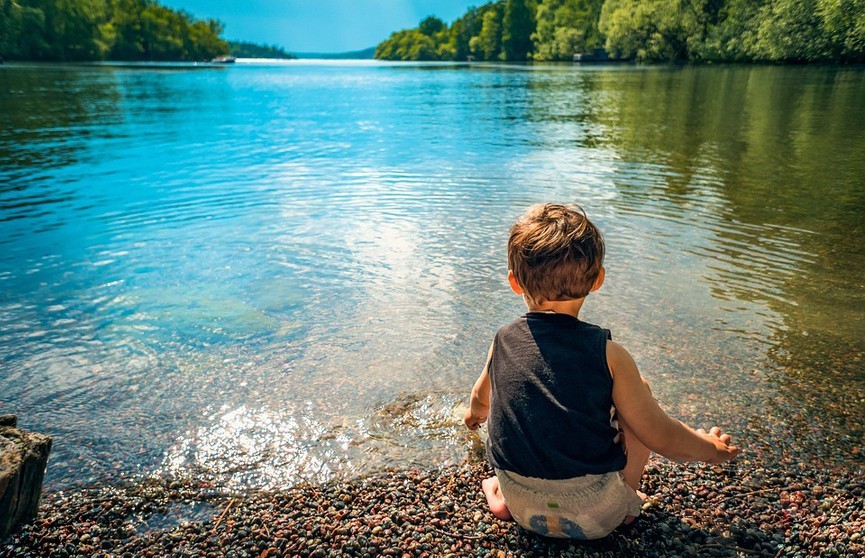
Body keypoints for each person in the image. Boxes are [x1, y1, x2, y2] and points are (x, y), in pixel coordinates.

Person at [464, 203, 740, 540]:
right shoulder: (609, 354)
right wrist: (711, 449)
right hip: (596, 515)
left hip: (522, 507)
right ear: (598, 280)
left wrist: (473, 418)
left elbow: (480, 399)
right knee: (638, 390)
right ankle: (628, 500)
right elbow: (662, 436)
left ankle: (500, 495)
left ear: (514, 282)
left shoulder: (502, 340)